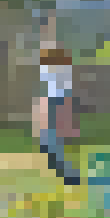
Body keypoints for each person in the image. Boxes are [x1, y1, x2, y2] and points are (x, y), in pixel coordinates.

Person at [36, 46, 81, 185]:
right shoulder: (58, 71)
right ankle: (61, 169)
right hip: (55, 102)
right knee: (51, 139)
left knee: (53, 139)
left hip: (58, 102)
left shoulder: (57, 71)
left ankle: (67, 174)